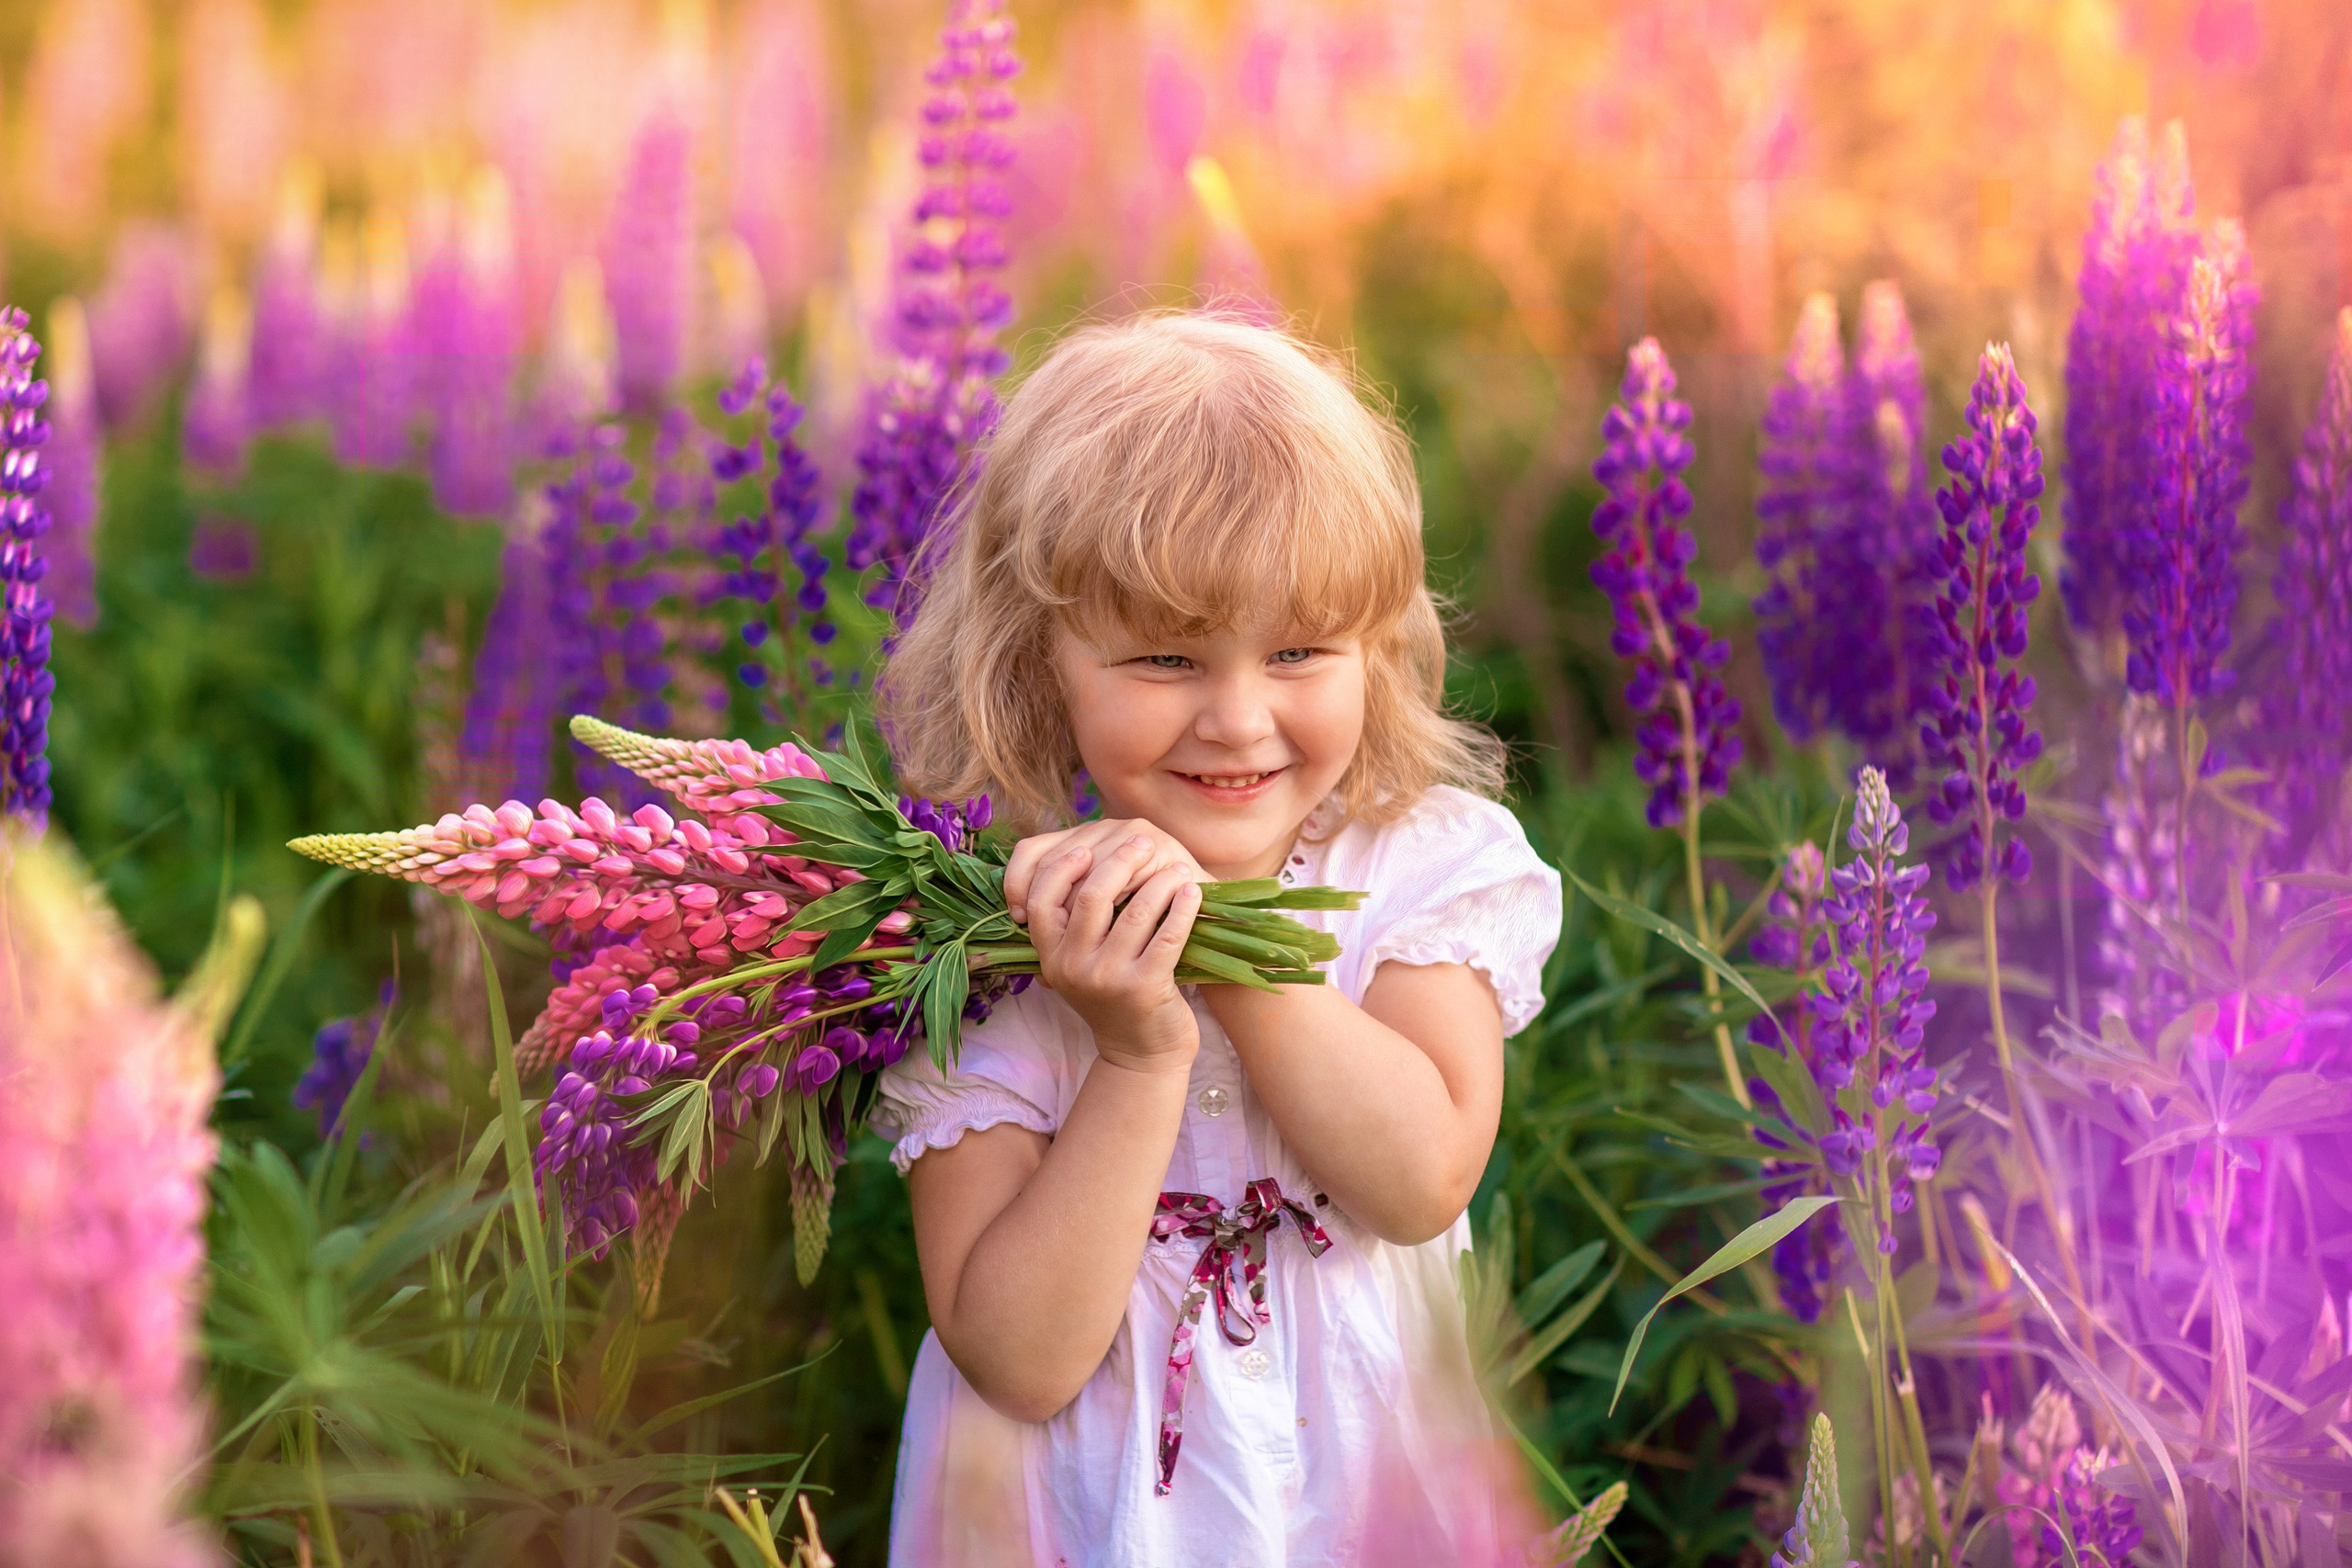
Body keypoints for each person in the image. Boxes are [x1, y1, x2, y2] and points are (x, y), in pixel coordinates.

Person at [873, 310, 1563, 1565]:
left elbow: (1421, 1180)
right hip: (1087, 1517)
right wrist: (1136, 1054)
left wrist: (1224, 955)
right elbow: (1017, 1360)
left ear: (1375, 647)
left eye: (1299, 650)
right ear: (1042, 669)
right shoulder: (977, 948)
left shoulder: (1420, 868)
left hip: (1362, 1494)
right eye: (1166, 658)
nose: (1239, 719)